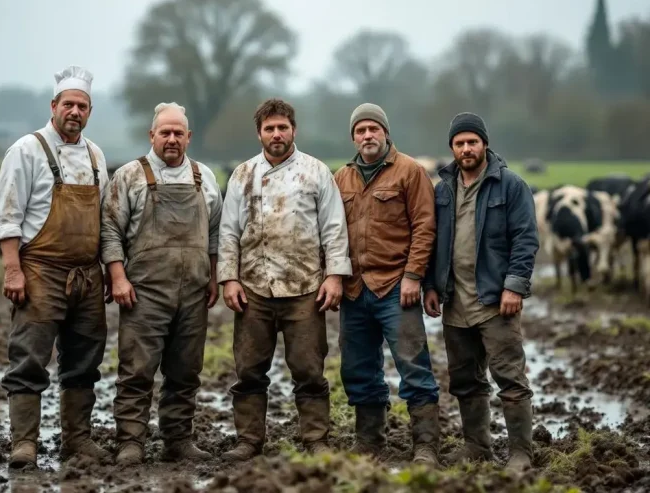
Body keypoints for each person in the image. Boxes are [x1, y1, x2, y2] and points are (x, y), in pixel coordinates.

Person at [217, 98, 352, 461]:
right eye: (269, 129)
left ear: (294, 130)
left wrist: (334, 276)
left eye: (282, 127)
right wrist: (229, 279)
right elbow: (228, 231)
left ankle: (315, 439)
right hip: (253, 288)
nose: (276, 134)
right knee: (249, 370)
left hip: (305, 286)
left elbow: (334, 227)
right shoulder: (243, 174)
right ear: (259, 133)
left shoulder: (316, 172)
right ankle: (248, 440)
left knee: (309, 369)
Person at [0, 65, 111, 468]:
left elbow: (104, 219)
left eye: (82, 106)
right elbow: (7, 216)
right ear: (53, 106)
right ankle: (25, 443)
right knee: (29, 358)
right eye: (68, 105)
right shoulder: (26, 150)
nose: (75, 112)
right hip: (40, 271)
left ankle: (77, 441)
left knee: (84, 361)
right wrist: (13, 269)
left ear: (89, 111)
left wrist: (107, 270)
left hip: (87, 274)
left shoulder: (95, 155)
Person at [100, 102, 223, 465]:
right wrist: (117, 277)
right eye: (165, 132)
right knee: (136, 371)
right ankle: (130, 442)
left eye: (178, 133)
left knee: (185, 372)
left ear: (189, 137)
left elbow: (215, 233)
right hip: (144, 294)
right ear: (151, 135)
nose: (172, 139)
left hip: (194, 293)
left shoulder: (204, 177)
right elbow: (109, 230)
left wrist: (214, 276)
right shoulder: (129, 176)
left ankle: (178, 441)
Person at [423, 112, 539, 474]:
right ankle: (477, 446)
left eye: (472, 142)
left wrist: (514, 286)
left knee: (510, 378)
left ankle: (521, 452)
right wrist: (431, 286)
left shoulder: (510, 185)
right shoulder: (443, 190)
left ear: (484, 144)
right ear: (452, 148)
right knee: (465, 380)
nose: (466, 149)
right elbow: (432, 242)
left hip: (495, 300)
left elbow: (525, 239)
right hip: (455, 301)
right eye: (459, 143)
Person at [333, 103, 441, 465]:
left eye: (373, 129)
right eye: (360, 131)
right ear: (353, 137)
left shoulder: (410, 171)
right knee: (357, 368)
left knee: (413, 365)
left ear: (385, 132)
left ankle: (426, 445)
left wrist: (413, 276)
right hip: (354, 288)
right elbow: (332, 232)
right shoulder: (342, 177)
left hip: (396, 286)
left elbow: (425, 226)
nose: (367, 136)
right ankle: (369, 441)